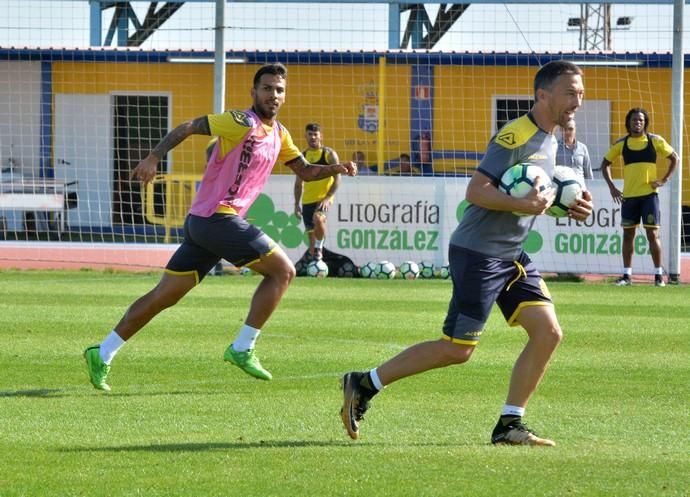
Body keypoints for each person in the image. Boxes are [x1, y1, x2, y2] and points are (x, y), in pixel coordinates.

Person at [340, 60, 592, 446]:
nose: (578, 100)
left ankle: (510, 424)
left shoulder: (551, 137)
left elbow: (535, 188)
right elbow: (477, 191)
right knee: (457, 350)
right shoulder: (515, 136)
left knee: (548, 332)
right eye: (570, 93)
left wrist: (567, 203)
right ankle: (365, 382)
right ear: (543, 95)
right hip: (479, 254)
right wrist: (524, 206)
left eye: (580, 92)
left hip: (511, 255)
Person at [83, 63, 357, 391]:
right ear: (253, 92)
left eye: (279, 90)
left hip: (207, 224)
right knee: (283, 272)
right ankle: (242, 348)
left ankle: (102, 352)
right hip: (216, 218)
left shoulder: (280, 134)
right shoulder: (240, 122)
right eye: (267, 88)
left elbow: (307, 171)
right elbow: (187, 126)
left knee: (163, 296)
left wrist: (336, 168)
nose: (273, 94)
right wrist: (154, 157)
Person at [601, 107, 679, 287]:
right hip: (629, 197)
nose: (637, 122)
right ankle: (626, 276)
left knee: (653, 234)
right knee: (628, 235)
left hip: (649, 197)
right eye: (634, 120)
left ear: (645, 123)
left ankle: (659, 276)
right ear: (628, 123)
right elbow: (605, 164)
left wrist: (664, 179)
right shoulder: (622, 144)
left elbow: (675, 158)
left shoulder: (655, 141)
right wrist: (612, 187)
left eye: (640, 120)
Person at [293, 123, 340, 260]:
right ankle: (317, 266)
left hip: (323, 199)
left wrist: (328, 197)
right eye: (310, 134)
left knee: (318, 218)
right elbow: (298, 183)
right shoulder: (302, 156)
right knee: (312, 245)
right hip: (307, 200)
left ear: (321, 136)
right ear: (305, 136)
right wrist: (296, 204)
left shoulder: (329, 154)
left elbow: (338, 178)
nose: (313, 137)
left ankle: (319, 247)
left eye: (315, 134)